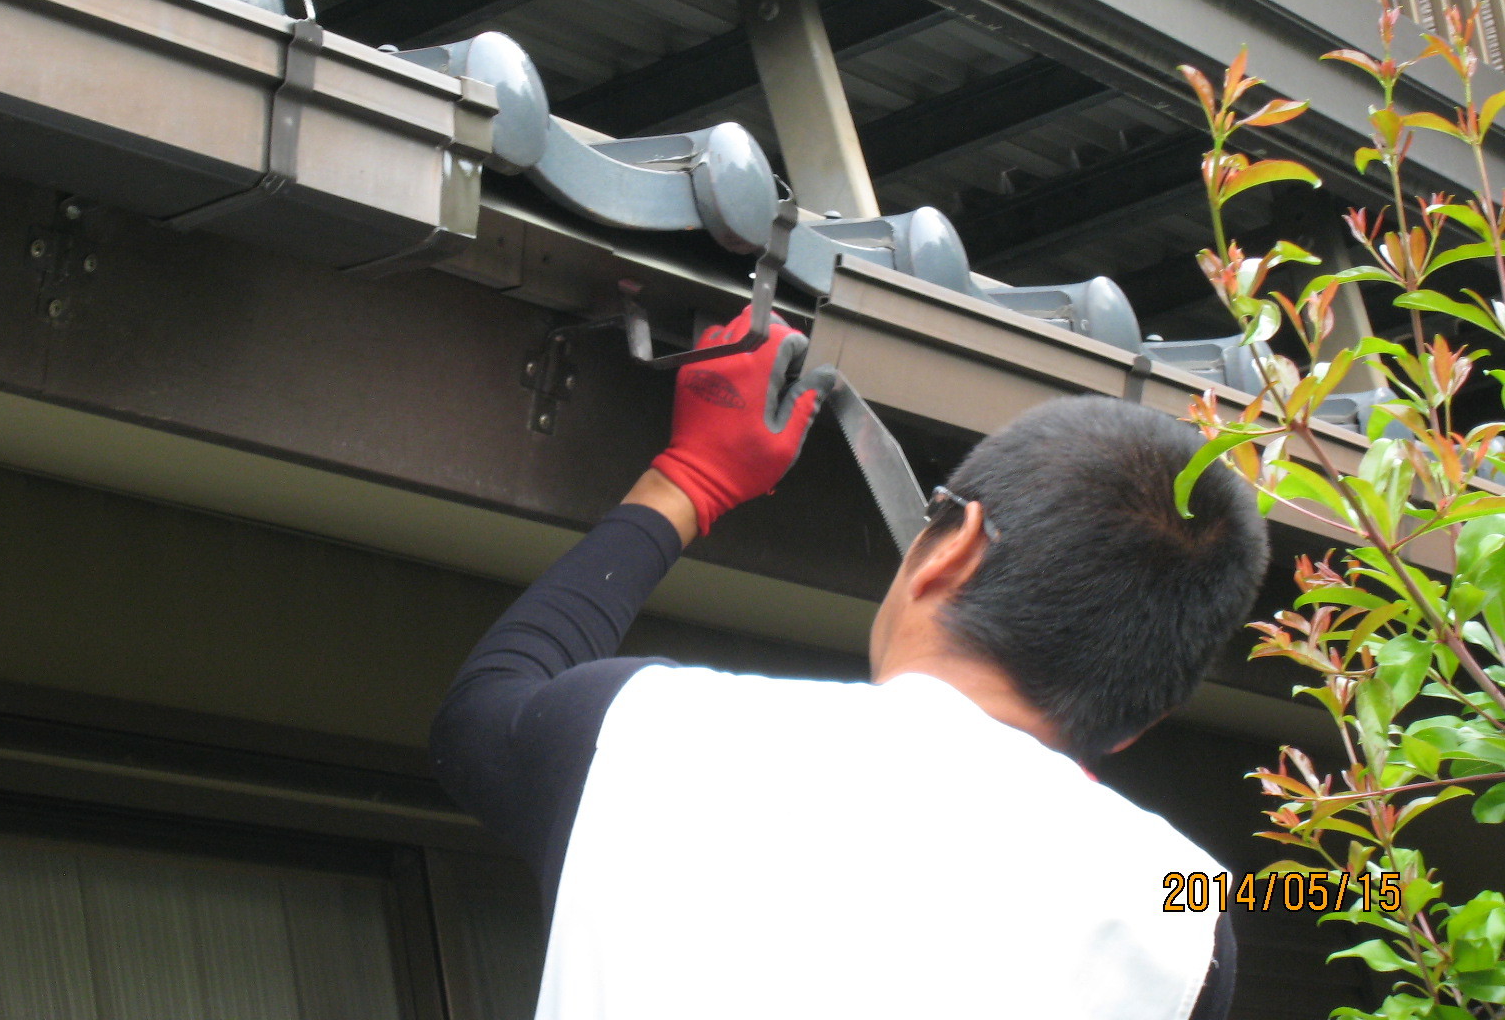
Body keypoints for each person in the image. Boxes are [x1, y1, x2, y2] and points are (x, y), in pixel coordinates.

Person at [432, 304, 1268, 1020]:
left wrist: (690, 478)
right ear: (1145, 719)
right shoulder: (1185, 913)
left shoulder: (665, 735)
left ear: (953, 551)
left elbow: (487, 711)